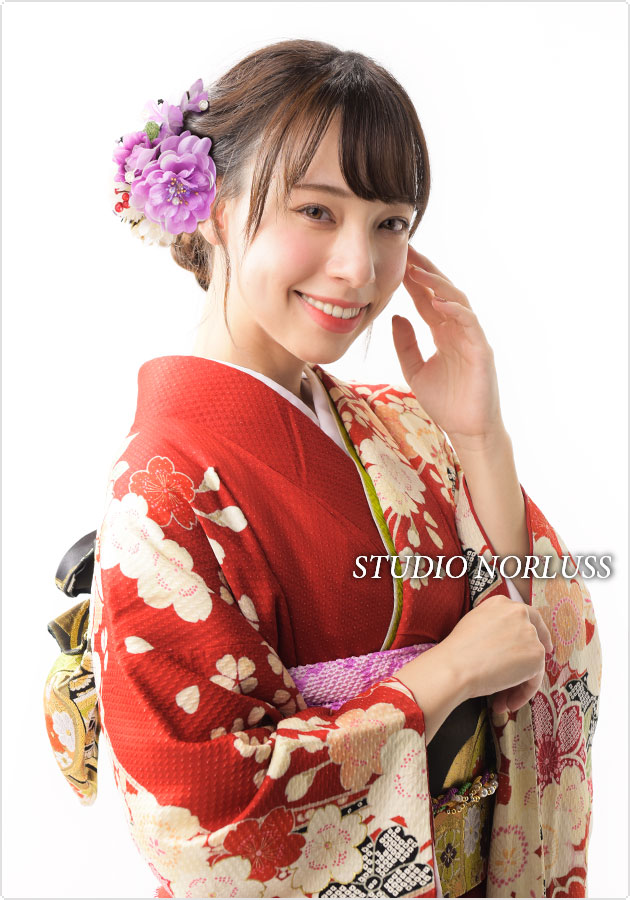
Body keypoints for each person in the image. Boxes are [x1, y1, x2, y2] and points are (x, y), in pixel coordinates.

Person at [92, 39, 602, 898]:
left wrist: (481, 437)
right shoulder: (161, 488)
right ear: (211, 206)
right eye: (317, 212)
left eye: (389, 223)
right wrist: (444, 676)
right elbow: (205, 806)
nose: (359, 269)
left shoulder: (404, 424)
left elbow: (519, 641)